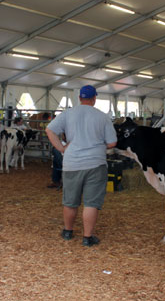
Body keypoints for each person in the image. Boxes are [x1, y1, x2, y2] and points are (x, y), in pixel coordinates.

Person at [45, 85, 117, 247]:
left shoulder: (68, 114)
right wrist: (98, 145)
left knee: (70, 200)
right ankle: (87, 237)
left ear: (79, 98)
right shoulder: (102, 117)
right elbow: (112, 142)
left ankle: (68, 231)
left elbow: (49, 130)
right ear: (94, 99)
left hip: (72, 163)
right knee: (91, 202)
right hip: (95, 164)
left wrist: (62, 148)